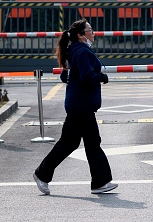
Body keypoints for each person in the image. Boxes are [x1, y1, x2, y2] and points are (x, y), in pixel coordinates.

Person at [33, 18, 117, 195]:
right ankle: (42, 173)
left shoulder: (73, 51)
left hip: (79, 104)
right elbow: (87, 77)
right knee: (71, 143)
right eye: (89, 30)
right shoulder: (83, 52)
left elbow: (65, 77)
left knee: (88, 143)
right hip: (82, 106)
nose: (92, 33)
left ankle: (100, 182)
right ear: (80, 35)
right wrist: (102, 77)